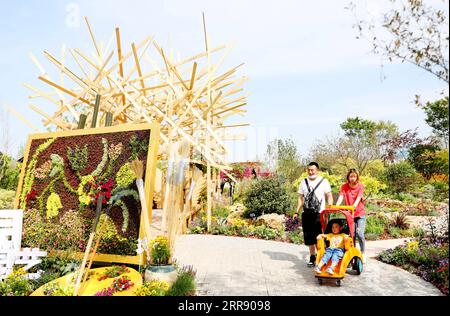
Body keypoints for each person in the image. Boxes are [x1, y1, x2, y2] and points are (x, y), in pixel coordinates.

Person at [295, 162, 333, 267]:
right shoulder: (303, 182)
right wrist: (296, 211)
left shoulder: (324, 181)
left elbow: (329, 195)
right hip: (306, 213)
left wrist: (329, 208)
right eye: (309, 170)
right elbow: (300, 198)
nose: (310, 172)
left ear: (317, 170)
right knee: (309, 237)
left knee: (319, 236)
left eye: (312, 170)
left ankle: (322, 256)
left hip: (319, 213)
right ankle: (312, 256)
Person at [336, 168, 366, 263]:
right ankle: (352, 253)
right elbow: (341, 196)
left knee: (360, 234)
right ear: (348, 177)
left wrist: (353, 206)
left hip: (359, 214)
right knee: (351, 235)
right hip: (349, 215)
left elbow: (358, 198)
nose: (352, 178)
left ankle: (362, 253)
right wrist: (337, 206)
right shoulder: (344, 186)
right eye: (351, 176)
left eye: (354, 176)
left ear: (357, 177)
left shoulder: (360, 186)